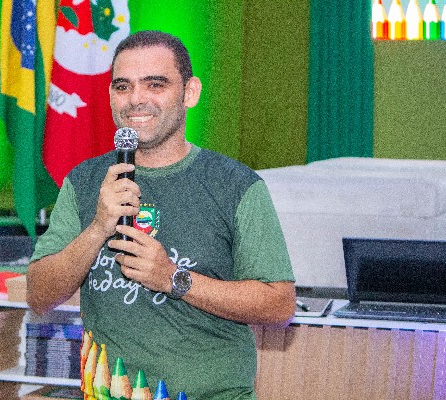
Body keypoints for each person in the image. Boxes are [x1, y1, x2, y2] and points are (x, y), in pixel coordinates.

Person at [27, 30, 295, 400]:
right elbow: (39, 295)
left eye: (155, 84)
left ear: (190, 92)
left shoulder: (236, 185)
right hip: (109, 392)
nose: (136, 99)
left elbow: (279, 304)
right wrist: (97, 228)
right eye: (123, 86)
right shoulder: (85, 181)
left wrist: (173, 278)